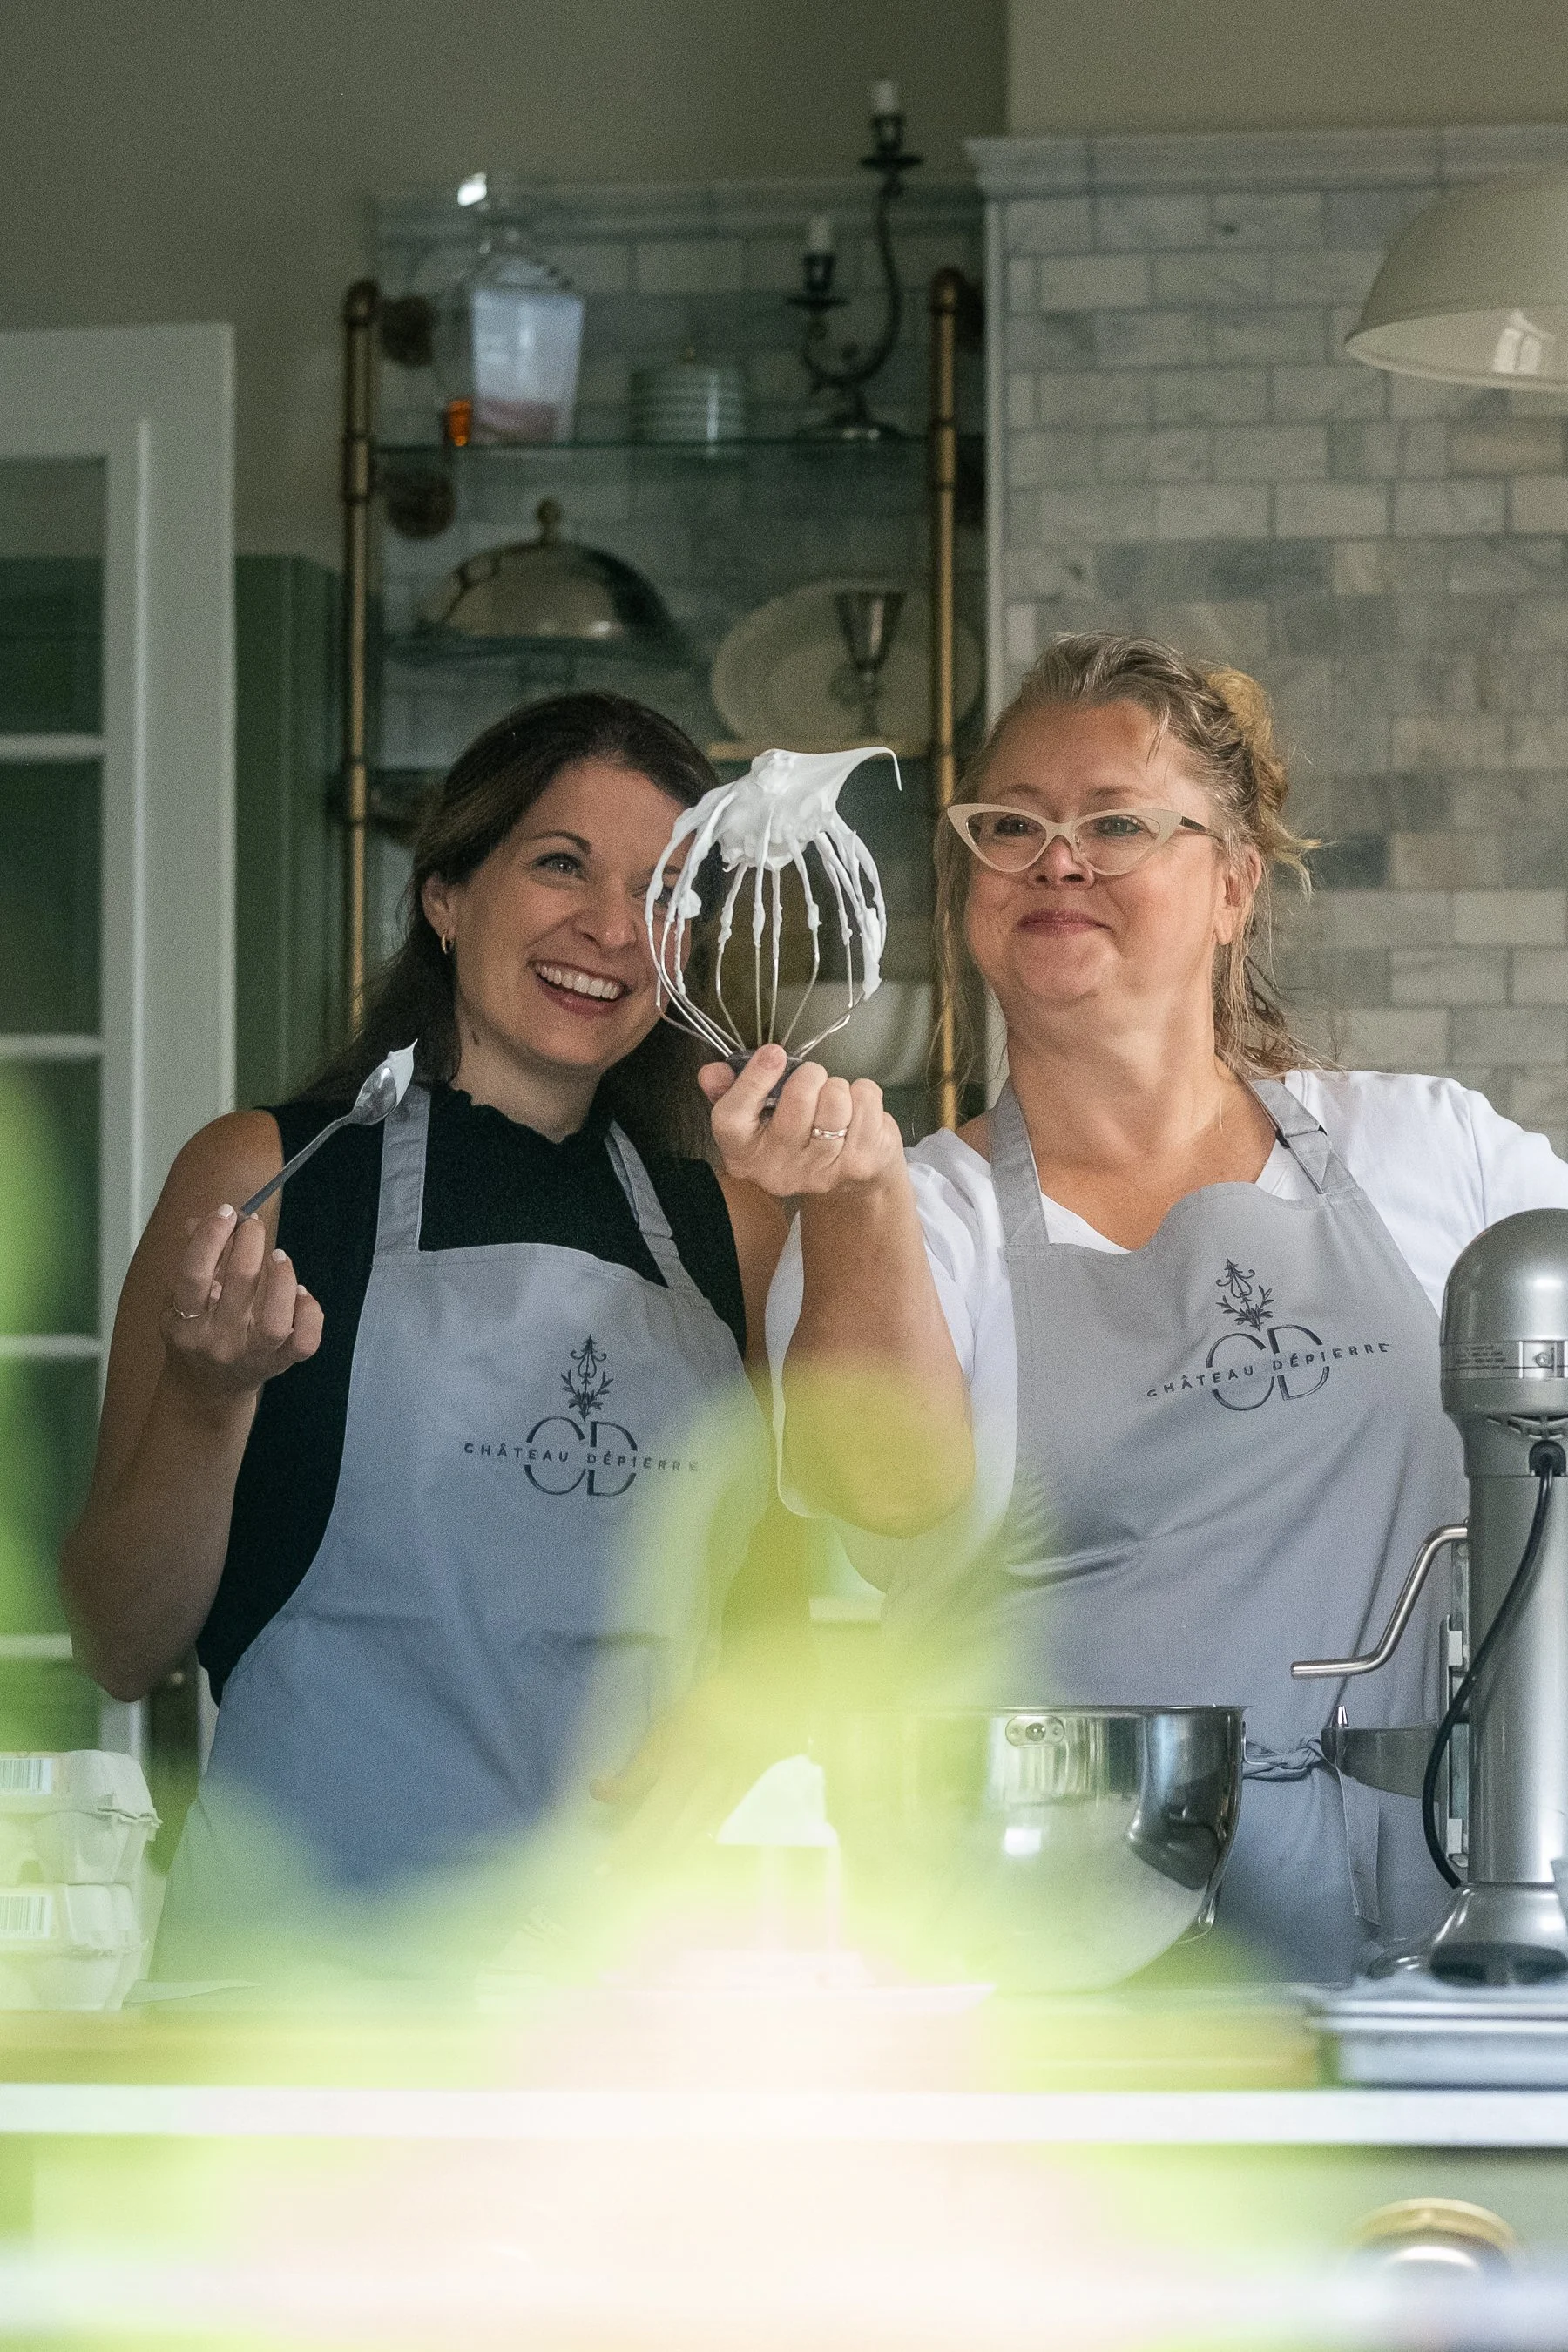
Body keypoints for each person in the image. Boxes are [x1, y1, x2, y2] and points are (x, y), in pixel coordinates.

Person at [705, 633, 1568, 1984]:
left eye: (1117, 823)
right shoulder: (922, 1210)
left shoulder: (1434, 1155)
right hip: (1070, 2000)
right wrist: (852, 1197)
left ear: (1231, 885)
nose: (1059, 859)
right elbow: (879, 1500)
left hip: (1445, 1959)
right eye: (1011, 826)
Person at [62, 691, 796, 1976]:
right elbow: (122, 1642)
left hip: (621, 2008)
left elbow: (805, 1603)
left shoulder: (732, 1227)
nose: (611, 930)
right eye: (562, 863)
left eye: (661, 893)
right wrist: (207, 1397)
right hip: (295, 2001)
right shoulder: (273, 1175)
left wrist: (746, 1714)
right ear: (447, 896)